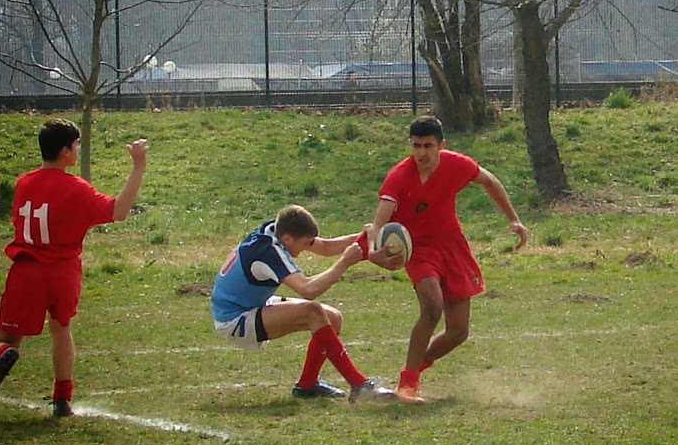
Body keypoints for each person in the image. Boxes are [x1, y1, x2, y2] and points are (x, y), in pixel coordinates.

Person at [0, 119, 148, 417]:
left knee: (5, 337)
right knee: (61, 330)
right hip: (63, 271)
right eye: (76, 145)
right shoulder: (76, 188)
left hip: (27, 269)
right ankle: (61, 399)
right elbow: (119, 211)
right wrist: (137, 167)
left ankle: (5, 355)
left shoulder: (24, 182)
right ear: (65, 151)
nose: (78, 149)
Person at [361, 115, 528, 404]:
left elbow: (490, 181)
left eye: (428, 145)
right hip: (417, 250)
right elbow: (378, 221)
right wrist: (375, 251)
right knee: (431, 308)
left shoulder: (458, 164)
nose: (421, 153)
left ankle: (417, 365)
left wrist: (514, 220)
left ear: (441, 145)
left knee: (458, 331)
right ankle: (407, 385)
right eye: (416, 146)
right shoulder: (399, 176)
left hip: (452, 246)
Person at [211, 204, 395, 403]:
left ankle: (307, 385)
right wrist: (345, 262)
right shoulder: (269, 252)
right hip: (234, 319)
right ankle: (359, 385)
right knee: (313, 311)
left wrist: (364, 238)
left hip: (251, 304)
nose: (308, 247)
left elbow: (325, 247)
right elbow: (309, 290)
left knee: (332, 317)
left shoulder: (277, 230)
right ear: (287, 239)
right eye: (306, 243)